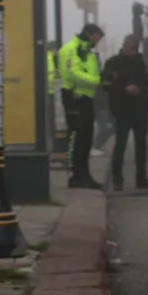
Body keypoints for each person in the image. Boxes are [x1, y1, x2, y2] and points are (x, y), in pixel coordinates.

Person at [103, 34, 148, 191]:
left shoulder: (139, 62)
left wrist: (143, 88)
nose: (134, 51)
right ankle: (117, 179)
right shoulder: (113, 63)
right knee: (121, 144)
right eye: (132, 48)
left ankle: (142, 178)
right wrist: (124, 88)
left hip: (140, 108)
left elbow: (145, 81)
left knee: (142, 145)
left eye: (136, 48)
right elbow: (105, 84)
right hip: (122, 109)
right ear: (125, 46)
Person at [57, 23, 104, 189]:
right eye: (97, 38)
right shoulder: (71, 49)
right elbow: (73, 74)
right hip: (74, 97)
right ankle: (76, 176)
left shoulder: (88, 52)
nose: (97, 42)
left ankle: (84, 175)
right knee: (76, 139)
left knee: (86, 140)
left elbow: (92, 72)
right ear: (90, 34)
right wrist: (98, 81)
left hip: (86, 98)